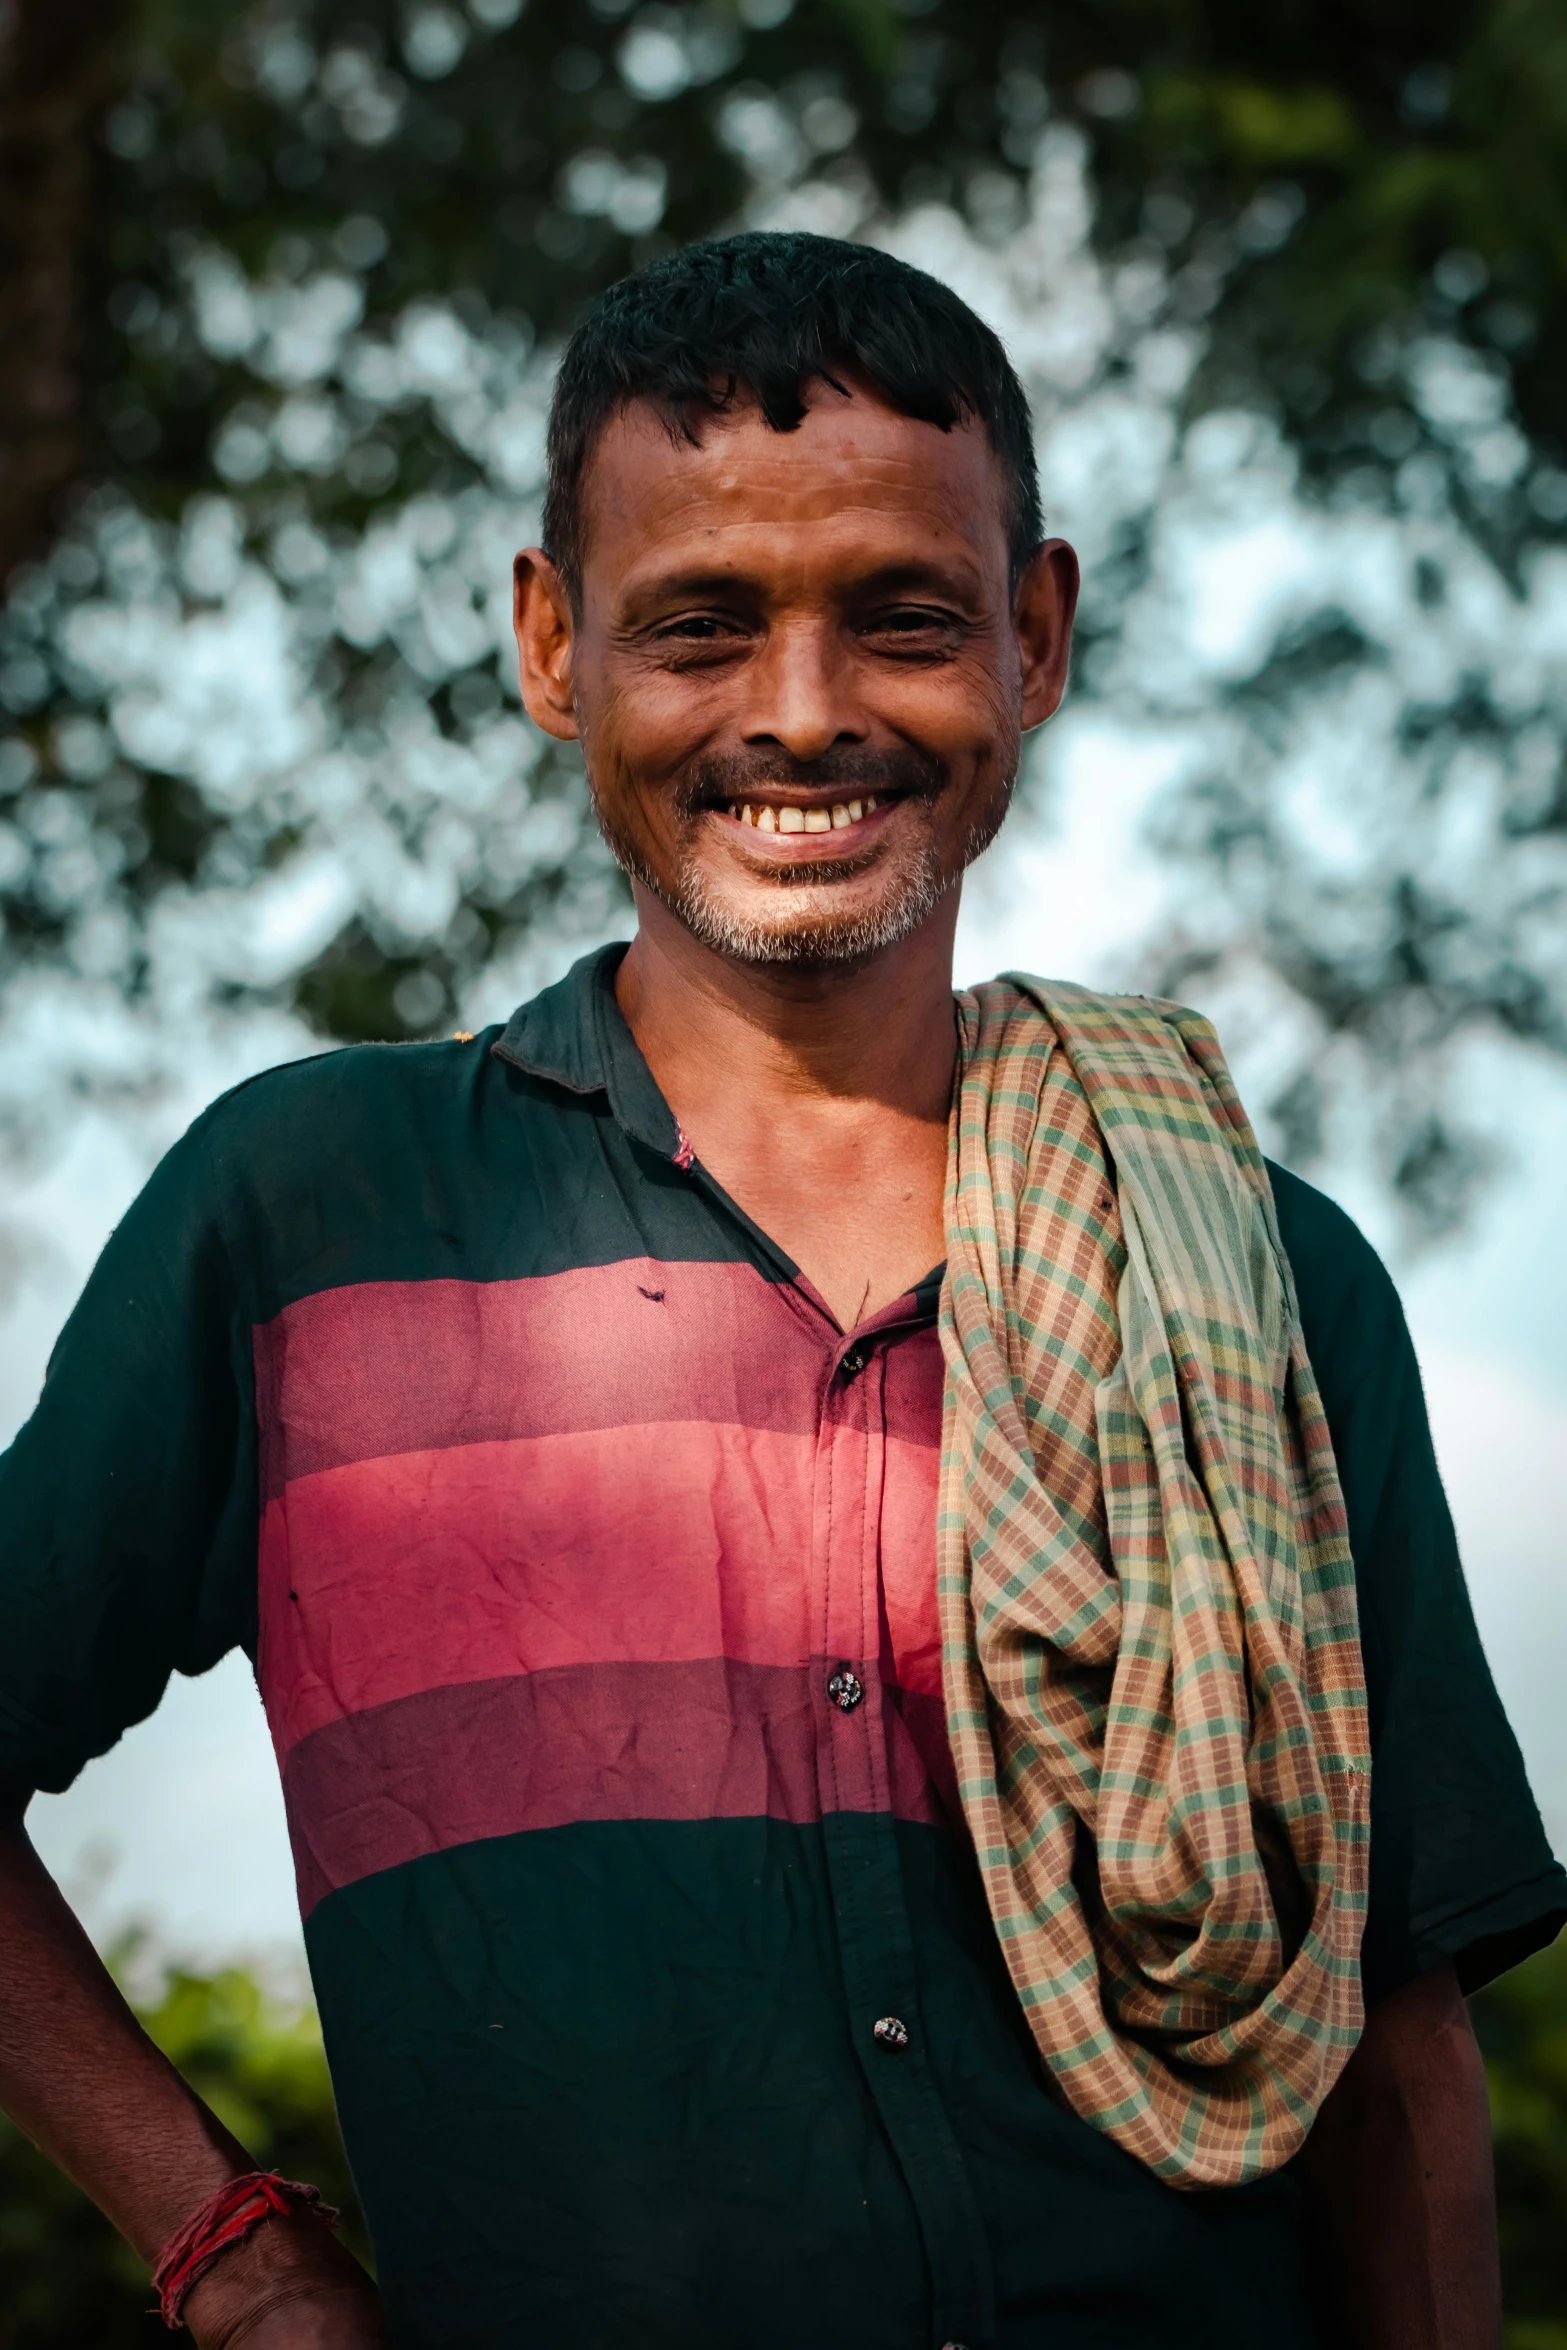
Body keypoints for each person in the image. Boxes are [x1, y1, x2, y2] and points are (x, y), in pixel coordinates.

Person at [0, 231, 1561, 2350]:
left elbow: (1389, 2041)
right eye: (702, 623)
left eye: (903, 617)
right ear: (555, 644)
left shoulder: (1264, 1281)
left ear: (1037, 631)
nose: (805, 712)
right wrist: (242, 2261)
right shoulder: (308, 1213)